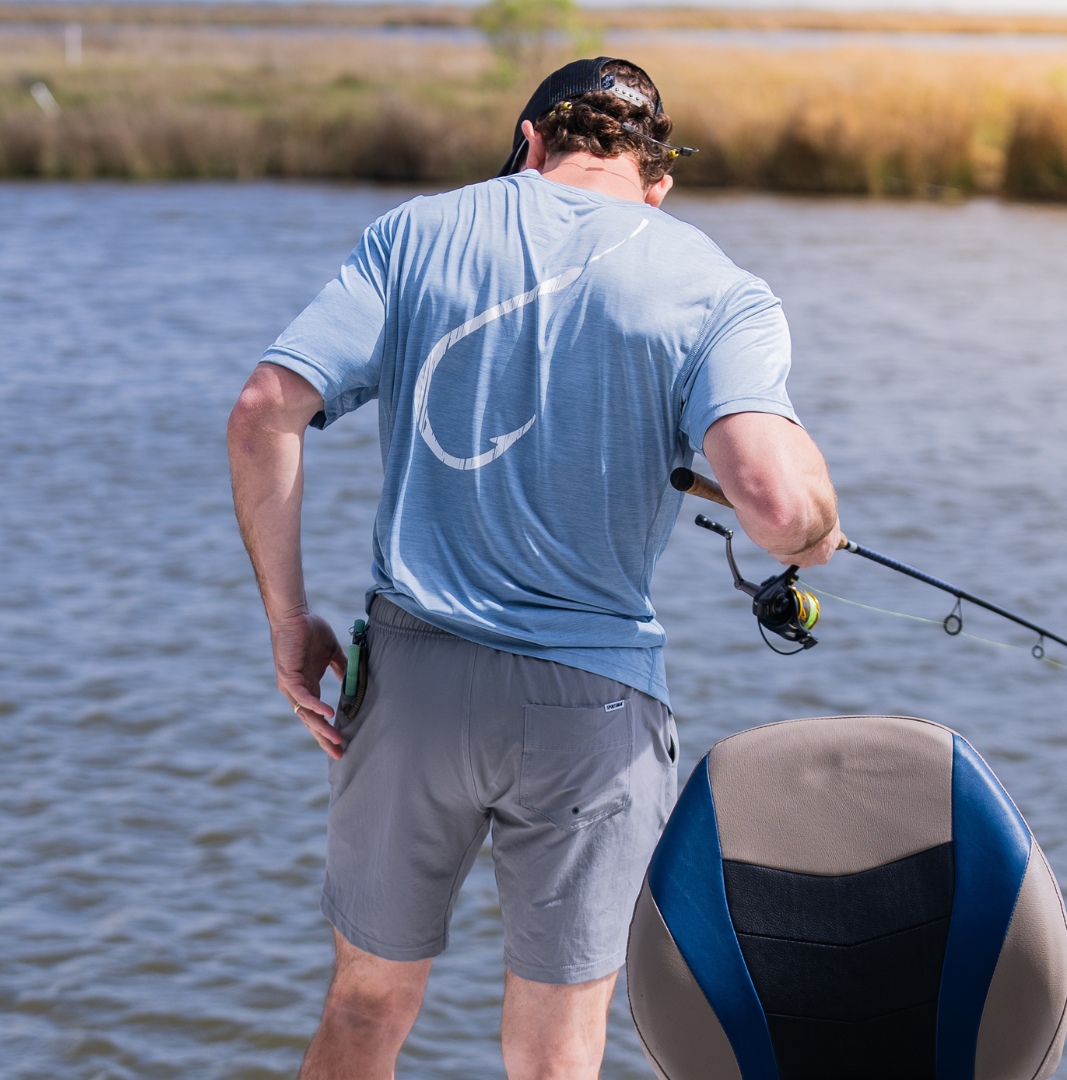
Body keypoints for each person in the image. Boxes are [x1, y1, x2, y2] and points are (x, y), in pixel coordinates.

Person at [227, 57, 840, 1080]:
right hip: (593, 712)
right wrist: (817, 529)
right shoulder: (716, 285)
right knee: (557, 1054)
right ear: (658, 180)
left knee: (369, 1004)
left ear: (529, 139)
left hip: (413, 688)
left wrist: (290, 624)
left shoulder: (418, 231)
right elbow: (776, 506)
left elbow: (263, 412)